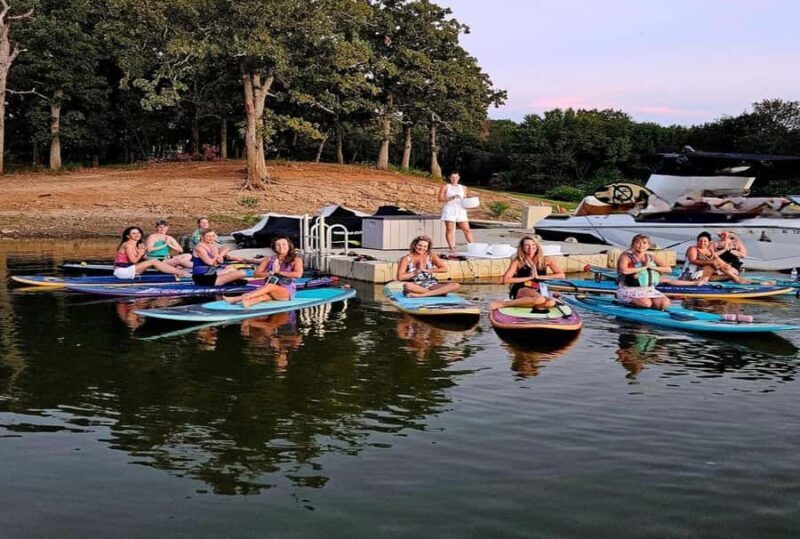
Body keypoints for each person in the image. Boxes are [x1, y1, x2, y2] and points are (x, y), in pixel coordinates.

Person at [489, 236, 565, 310]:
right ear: (522, 247)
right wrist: (529, 277)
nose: (530, 247)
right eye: (527, 245)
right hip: (522, 288)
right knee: (540, 299)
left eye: (533, 245)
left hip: (538, 288)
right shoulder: (518, 261)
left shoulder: (546, 260)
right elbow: (506, 280)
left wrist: (539, 277)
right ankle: (504, 304)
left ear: (537, 246)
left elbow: (561, 275)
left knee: (550, 302)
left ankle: (528, 304)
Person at [224, 236, 303, 308]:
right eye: (278, 245)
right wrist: (269, 273)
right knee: (260, 297)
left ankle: (238, 298)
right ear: (274, 247)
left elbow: (298, 274)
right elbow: (256, 273)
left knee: (270, 286)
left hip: (286, 290)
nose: (281, 247)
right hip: (270, 289)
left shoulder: (296, 259)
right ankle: (247, 316)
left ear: (289, 245)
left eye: (284, 244)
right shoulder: (269, 259)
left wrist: (279, 272)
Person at [616, 234, 671, 309]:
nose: (641, 245)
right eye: (638, 243)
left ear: (648, 246)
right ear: (633, 244)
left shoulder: (651, 257)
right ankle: (626, 301)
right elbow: (624, 271)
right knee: (646, 303)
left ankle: (652, 304)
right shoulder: (626, 256)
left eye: (644, 243)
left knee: (665, 303)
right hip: (629, 289)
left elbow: (668, 269)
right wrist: (643, 267)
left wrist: (651, 267)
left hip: (648, 289)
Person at [113, 226, 190, 280]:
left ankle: (178, 271)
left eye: (138, 233)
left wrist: (162, 261)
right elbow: (133, 260)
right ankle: (181, 273)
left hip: (131, 269)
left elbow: (144, 257)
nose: (137, 235)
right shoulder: (128, 244)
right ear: (128, 236)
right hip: (122, 271)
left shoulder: (137, 245)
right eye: (133, 233)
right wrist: (140, 254)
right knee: (153, 261)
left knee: (155, 261)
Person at [682, 232, 749, 284]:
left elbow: (716, 259)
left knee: (729, 273)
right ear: (697, 241)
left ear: (709, 242)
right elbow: (692, 261)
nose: (702, 243)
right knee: (711, 265)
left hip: (703, 273)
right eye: (700, 241)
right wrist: (710, 262)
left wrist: (725, 265)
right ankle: (736, 279)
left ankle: (737, 278)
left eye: (705, 241)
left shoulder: (709, 251)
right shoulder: (693, 248)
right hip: (691, 274)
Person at [438, 171, 475, 254]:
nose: (454, 179)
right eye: (452, 177)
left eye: (456, 177)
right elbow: (440, 199)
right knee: (450, 229)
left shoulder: (463, 188)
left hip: (461, 210)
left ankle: (473, 246)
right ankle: (452, 248)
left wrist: (470, 203)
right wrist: (451, 197)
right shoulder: (446, 187)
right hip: (450, 209)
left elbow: (464, 199)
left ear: (459, 178)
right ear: (449, 178)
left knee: (467, 229)